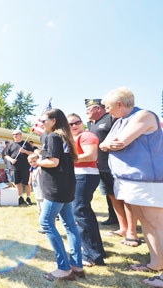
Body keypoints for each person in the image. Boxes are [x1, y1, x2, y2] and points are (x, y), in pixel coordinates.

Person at [100, 87, 163, 287]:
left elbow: (120, 142)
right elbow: (105, 144)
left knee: (157, 224)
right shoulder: (119, 121)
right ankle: (156, 263)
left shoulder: (144, 115)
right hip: (128, 181)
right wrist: (109, 144)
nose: (107, 112)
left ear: (120, 104)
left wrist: (110, 144)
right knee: (145, 222)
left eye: (108, 107)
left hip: (146, 180)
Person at [37, 108, 83, 282]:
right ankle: (77, 266)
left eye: (44, 121)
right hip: (66, 187)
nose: (41, 123)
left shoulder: (54, 136)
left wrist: (37, 162)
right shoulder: (64, 136)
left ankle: (64, 268)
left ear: (54, 120)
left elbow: (53, 161)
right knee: (69, 225)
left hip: (56, 188)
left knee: (46, 223)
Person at [68, 113, 106, 266]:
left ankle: (91, 255)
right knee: (84, 212)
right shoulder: (73, 138)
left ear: (82, 122)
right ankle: (97, 251)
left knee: (80, 213)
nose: (74, 126)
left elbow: (91, 155)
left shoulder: (87, 135)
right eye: (70, 124)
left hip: (85, 175)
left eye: (76, 122)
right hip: (80, 176)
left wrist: (68, 158)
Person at [85, 99, 120, 226]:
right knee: (109, 194)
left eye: (89, 109)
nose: (86, 112)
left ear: (98, 108)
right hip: (100, 165)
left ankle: (126, 223)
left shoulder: (111, 118)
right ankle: (114, 218)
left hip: (111, 165)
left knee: (118, 194)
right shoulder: (93, 124)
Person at [4, 130, 33, 205]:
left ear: (20, 134)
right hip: (15, 167)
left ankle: (28, 197)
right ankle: (20, 197)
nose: (15, 136)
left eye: (16, 134)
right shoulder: (11, 145)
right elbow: (6, 155)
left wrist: (25, 151)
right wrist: (11, 160)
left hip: (26, 166)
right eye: (13, 134)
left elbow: (32, 153)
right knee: (17, 183)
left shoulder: (25, 143)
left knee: (27, 183)